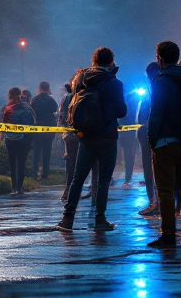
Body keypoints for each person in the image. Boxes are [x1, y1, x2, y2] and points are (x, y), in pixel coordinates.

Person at [56, 47, 127, 234]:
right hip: (107, 136)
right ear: (111, 61)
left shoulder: (80, 79)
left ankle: (67, 218)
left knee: (78, 178)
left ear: (93, 61)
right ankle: (100, 219)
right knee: (103, 180)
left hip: (85, 136)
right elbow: (121, 111)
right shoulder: (114, 83)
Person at [145, 41, 181, 248]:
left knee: (166, 189)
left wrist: (152, 138)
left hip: (165, 141)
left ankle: (168, 233)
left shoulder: (160, 81)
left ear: (159, 58)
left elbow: (156, 112)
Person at [3, 86, 36, 194]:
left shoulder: (8, 107)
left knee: (12, 163)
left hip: (10, 138)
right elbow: (34, 121)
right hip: (25, 138)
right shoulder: (27, 107)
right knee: (21, 163)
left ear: (10, 95)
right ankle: (20, 187)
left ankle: (13, 187)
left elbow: (3, 123)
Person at [137, 62, 159, 215]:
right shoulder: (173, 86)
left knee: (149, 168)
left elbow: (140, 117)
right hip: (170, 135)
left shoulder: (150, 92)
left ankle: (153, 201)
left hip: (149, 134)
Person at [31, 81, 59, 180]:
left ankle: (35, 173)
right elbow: (55, 109)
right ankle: (45, 174)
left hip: (37, 127)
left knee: (36, 151)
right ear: (48, 88)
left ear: (39, 88)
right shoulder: (51, 100)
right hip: (49, 128)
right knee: (47, 151)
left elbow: (32, 112)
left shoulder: (34, 100)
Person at [57, 82, 78, 204]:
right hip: (87, 134)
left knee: (71, 162)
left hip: (70, 135)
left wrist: (62, 132)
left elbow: (61, 116)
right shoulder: (87, 94)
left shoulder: (66, 97)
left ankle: (69, 189)